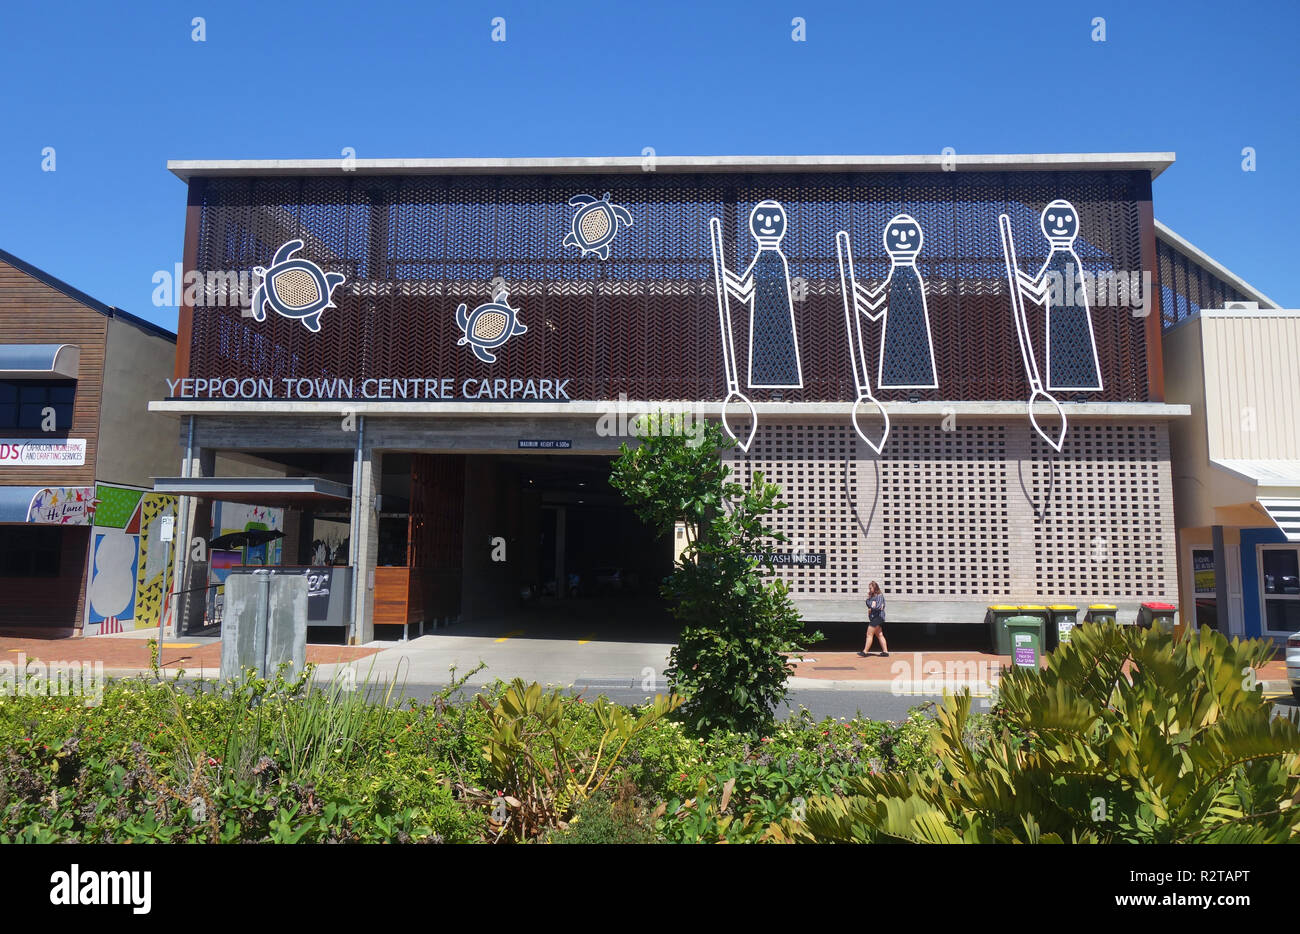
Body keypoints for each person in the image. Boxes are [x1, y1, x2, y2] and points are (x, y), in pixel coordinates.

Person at [861, 581, 889, 657]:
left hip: (878, 617)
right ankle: (885, 652)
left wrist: (872, 606)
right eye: (869, 588)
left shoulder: (879, 596)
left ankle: (865, 651)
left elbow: (878, 607)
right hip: (874, 618)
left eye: (870, 588)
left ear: (875, 587)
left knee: (869, 634)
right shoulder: (872, 597)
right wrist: (869, 600)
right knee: (880, 634)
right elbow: (867, 603)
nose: (869, 590)